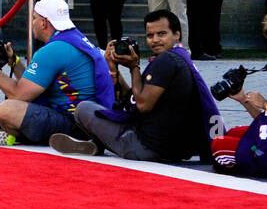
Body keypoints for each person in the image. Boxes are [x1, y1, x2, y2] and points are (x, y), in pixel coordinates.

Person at [51, 10, 223, 163]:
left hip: (147, 149)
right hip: (171, 149)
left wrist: (134, 67)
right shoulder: (179, 59)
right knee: (103, 110)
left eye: (161, 34)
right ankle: (97, 143)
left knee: (84, 108)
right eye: (150, 35)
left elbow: (142, 104)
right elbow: (132, 97)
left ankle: (98, 143)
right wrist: (113, 68)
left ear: (177, 34)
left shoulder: (167, 60)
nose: (155, 40)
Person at [0, 0, 114, 146]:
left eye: (34, 18)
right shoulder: (74, 39)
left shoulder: (52, 50)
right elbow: (31, 85)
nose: (32, 23)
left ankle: (67, 139)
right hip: (90, 122)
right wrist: (14, 62)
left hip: (74, 124)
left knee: (6, 110)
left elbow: (19, 94)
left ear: (44, 22)